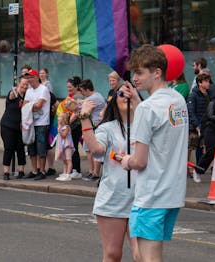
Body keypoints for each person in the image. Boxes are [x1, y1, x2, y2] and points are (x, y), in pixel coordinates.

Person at [119, 44, 189, 262]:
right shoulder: (177, 100)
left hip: (151, 193)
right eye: (133, 72)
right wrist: (139, 102)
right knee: (141, 256)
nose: (135, 78)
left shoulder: (146, 109)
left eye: (140, 72)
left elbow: (140, 161)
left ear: (157, 72)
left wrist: (127, 160)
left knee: (148, 258)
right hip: (173, 192)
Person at [80, 86, 139, 262]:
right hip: (113, 199)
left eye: (130, 91)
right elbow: (96, 149)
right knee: (113, 254)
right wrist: (85, 117)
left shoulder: (146, 126)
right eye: (121, 93)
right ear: (113, 100)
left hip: (142, 200)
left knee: (142, 254)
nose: (126, 95)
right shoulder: (107, 128)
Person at [23, 69, 51, 180]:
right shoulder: (29, 91)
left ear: (35, 77)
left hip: (42, 123)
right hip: (31, 122)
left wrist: (30, 106)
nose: (28, 79)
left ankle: (42, 171)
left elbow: (39, 105)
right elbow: (24, 106)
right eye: (27, 77)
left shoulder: (43, 89)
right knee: (31, 148)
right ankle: (34, 171)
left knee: (41, 147)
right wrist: (30, 106)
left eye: (30, 77)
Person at [0, 76, 28, 180]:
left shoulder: (27, 96)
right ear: (18, 84)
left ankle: (21, 170)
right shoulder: (13, 93)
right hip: (8, 126)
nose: (24, 86)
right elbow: (12, 96)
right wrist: (15, 90)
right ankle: (6, 172)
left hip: (21, 127)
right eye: (23, 84)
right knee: (9, 147)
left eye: (26, 84)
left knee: (21, 148)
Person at [78, 79, 106, 181]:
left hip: (94, 127)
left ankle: (95, 173)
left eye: (82, 90)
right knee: (88, 150)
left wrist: (78, 103)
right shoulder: (93, 97)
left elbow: (80, 106)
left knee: (92, 150)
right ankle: (92, 171)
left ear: (87, 89)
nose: (81, 93)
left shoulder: (95, 97)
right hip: (91, 126)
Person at [187, 73, 211, 183]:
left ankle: (197, 170)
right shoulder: (193, 95)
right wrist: (196, 125)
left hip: (205, 125)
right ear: (200, 83)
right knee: (191, 147)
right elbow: (191, 111)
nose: (208, 83)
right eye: (206, 81)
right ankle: (187, 170)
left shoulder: (207, 94)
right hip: (194, 127)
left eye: (208, 81)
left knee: (201, 148)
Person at [54, 112, 75, 181]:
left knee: (68, 160)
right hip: (62, 146)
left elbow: (64, 136)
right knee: (64, 160)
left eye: (59, 117)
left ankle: (68, 175)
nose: (58, 118)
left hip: (67, 145)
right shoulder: (60, 127)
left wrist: (59, 129)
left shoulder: (66, 127)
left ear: (64, 119)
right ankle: (64, 173)